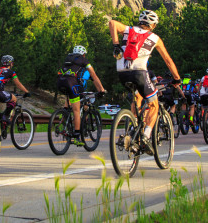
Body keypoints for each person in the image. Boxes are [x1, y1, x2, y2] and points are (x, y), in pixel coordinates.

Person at [110, 10, 181, 155]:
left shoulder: (128, 30)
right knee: (154, 104)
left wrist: (116, 45)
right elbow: (168, 60)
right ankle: (146, 136)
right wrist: (177, 78)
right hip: (140, 73)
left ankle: (133, 126)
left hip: (122, 73)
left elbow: (112, 23)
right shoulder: (155, 38)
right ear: (153, 25)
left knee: (138, 97)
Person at [57, 45, 106, 145]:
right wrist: (101, 90)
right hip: (72, 84)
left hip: (60, 82)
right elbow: (94, 75)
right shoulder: (84, 61)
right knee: (76, 109)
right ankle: (76, 136)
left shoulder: (68, 59)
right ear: (83, 54)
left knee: (69, 102)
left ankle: (63, 119)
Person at [0, 55, 30, 137]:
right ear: (11, 63)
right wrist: (26, 92)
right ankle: (5, 117)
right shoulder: (11, 72)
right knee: (14, 99)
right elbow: (18, 84)